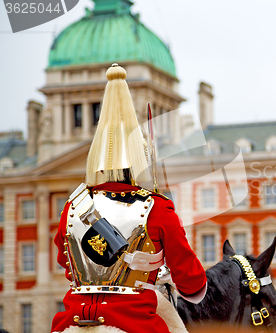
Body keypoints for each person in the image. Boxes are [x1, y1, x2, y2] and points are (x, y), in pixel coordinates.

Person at [51, 64, 207, 333]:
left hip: (72, 320)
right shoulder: (156, 207)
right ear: (139, 157)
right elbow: (192, 283)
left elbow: (67, 263)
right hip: (135, 322)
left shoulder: (73, 206)